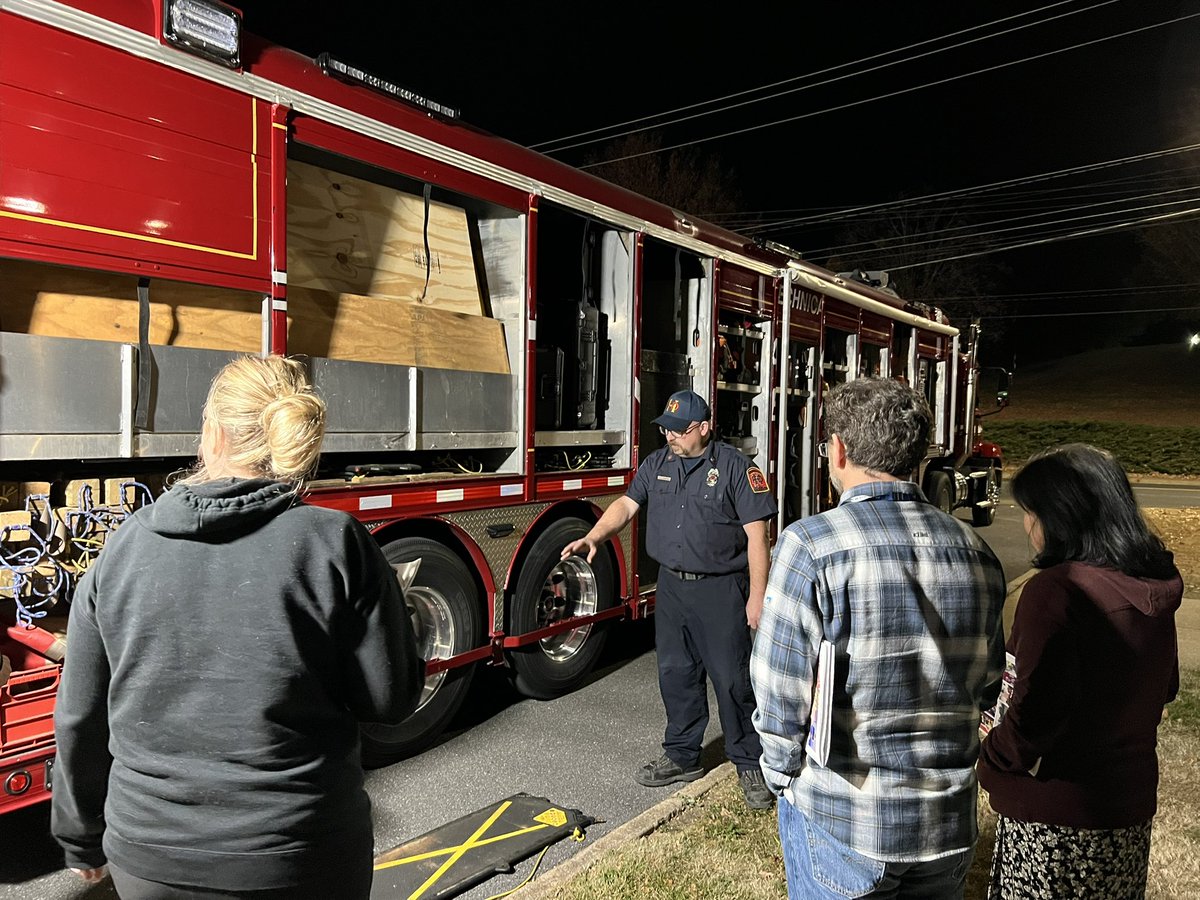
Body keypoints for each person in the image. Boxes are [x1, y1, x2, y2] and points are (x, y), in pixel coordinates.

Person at [52, 355, 424, 899]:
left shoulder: (123, 549)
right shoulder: (336, 544)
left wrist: (80, 837)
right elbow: (388, 701)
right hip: (300, 851)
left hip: (151, 856)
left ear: (211, 432)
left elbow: (81, 715)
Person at [752, 377, 1007, 899]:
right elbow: (987, 686)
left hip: (844, 820)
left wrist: (782, 777)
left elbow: (781, 691)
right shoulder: (978, 553)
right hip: (945, 825)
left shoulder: (811, 546)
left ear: (839, 450)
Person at [978, 443, 1182, 900]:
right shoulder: (1154, 585)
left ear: (1061, 516)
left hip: (1054, 817)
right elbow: (1165, 686)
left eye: (1032, 512)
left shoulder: (1056, 593)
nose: (1028, 525)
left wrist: (990, 757)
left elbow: (1033, 715)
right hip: (1126, 809)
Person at [561, 389, 777, 809]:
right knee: (676, 674)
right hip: (673, 588)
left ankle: (750, 761)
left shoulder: (736, 468)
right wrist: (594, 536)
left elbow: (757, 535)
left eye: (679, 430)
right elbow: (626, 505)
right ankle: (682, 754)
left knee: (733, 679)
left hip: (721, 590)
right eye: (667, 429)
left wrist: (757, 596)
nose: (671, 437)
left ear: (704, 428)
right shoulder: (657, 464)